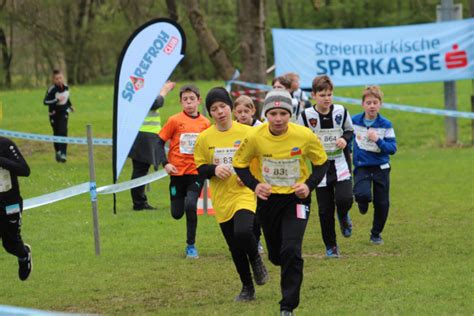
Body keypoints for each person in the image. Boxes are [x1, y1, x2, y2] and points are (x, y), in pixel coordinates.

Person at [233, 89, 328, 315]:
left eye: (283, 114)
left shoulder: (303, 135)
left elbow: (322, 162)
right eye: (273, 113)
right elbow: (240, 164)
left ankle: (288, 306)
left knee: (292, 249)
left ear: (290, 114)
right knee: (277, 255)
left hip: (297, 199)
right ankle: (276, 257)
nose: (277, 119)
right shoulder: (256, 136)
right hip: (269, 200)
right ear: (266, 115)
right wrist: (256, 185)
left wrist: (309, 185)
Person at [194, 87, 269, 302]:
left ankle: (256, 260)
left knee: (244, 232)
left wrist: (249, 177)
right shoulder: (204, 138)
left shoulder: (248, 133)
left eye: (223, 106)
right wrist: (214, 170)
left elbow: (261, 159)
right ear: (210, 113)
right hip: (221, 197)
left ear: (231, 108)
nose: (220, 112)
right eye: (214, 109)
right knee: (234, 247)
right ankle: (247, 288)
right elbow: (200, 167)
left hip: (244, 193)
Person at [297, 75, 354, 258]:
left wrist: (344, 140)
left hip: (341, 163)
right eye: (322, 94)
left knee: (345, 199)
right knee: (325, 210)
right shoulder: (306, 116)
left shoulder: (341, 111)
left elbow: (349, 130)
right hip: (319, 168)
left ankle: (343, 216)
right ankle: (331, 247)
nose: (327, 98)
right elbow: (299, 138)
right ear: (313, 95)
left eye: (329, 94)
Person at [156, 85, 211, 259]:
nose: (189, 103)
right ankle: (176, 200)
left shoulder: (205, 123)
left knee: (190, 205)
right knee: (177, 213)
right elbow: (158, 142)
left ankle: (191, 246)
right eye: (185, 100)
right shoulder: (174, 120)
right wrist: (165, 163)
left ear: (198, 101)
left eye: (192, 99)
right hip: (177, 173)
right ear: (180, 102)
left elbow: (209, 146)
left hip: (196, 172)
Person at [352, 86, 397, 245]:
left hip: (381, 168)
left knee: (382, 203)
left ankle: (376, 234)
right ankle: (361, 201)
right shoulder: (354, 121)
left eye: (375, 102)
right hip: (362, 166)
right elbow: (346, 137)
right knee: (363, 195)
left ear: (380, 105)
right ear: (363, 104)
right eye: (368, 102)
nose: (372, 105)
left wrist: (378, 140)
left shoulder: (385, 124)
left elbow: (392, 149)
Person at [128, 81, 175, 211]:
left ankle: (140, 202)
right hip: (143, 134)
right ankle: (139, 203)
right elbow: (156, 103)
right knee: (140, 170)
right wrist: (164, 90)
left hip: (144, 135)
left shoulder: (138, 87)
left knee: (141, 170)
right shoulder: (139, 88)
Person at [233, 95, 264, 254]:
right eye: (239, 111)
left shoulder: (261, 128)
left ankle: (257, 240)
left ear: (253, 110)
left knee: (257, 212)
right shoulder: (233, 129)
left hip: (258, 177)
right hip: (237, 178)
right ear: (234, 113)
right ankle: (240, 241)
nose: (243, 114)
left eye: (246, 111)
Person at [0, 137, 32, 281]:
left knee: (10, 245)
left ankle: (24, 255)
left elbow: (24, 170)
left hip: (10, 203)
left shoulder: (5, 144)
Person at [43, 70, 74, 163]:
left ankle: (64, 154)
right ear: (53, 80)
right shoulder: (51, 89)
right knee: (56, 133)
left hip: (64, 112)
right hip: (54, 114)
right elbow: (45, 102)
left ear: (63, 78)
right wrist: (56, 100)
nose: (59, 80)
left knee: (63, 131)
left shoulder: (66, 87)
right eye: (57, 79)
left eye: (60, 78)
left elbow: (67, 98)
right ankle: (58, 152)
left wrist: (70, 105)